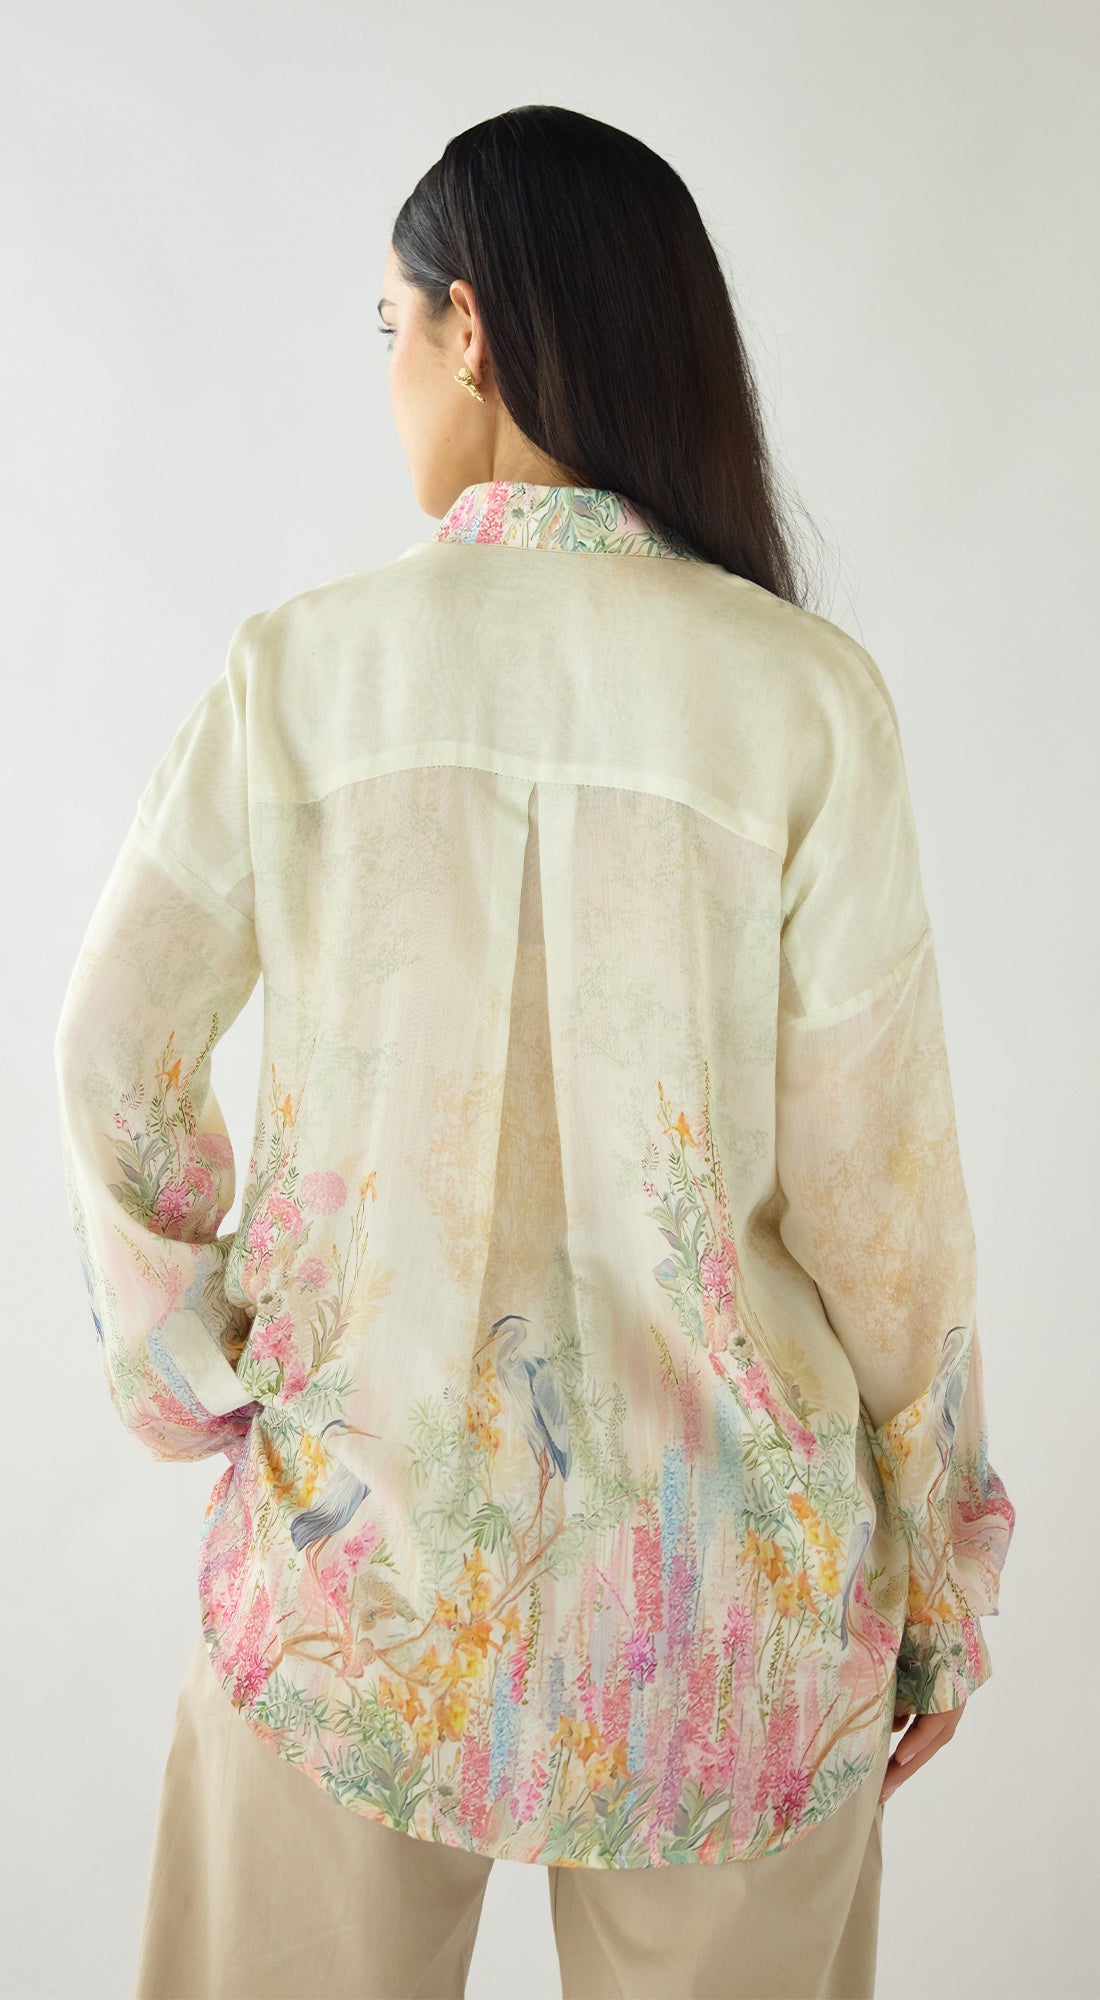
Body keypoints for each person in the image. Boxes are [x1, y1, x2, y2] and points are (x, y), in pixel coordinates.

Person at [53, 103, 1016, 2000]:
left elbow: (110, 1048)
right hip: (729, 1615)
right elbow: (884, 1209)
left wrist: (205, 1366)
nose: (387, 374)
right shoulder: (805, 702)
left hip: (351, 1584)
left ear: (470, 328)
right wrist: (937, 1574)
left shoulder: (301, 673)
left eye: (389, 326)